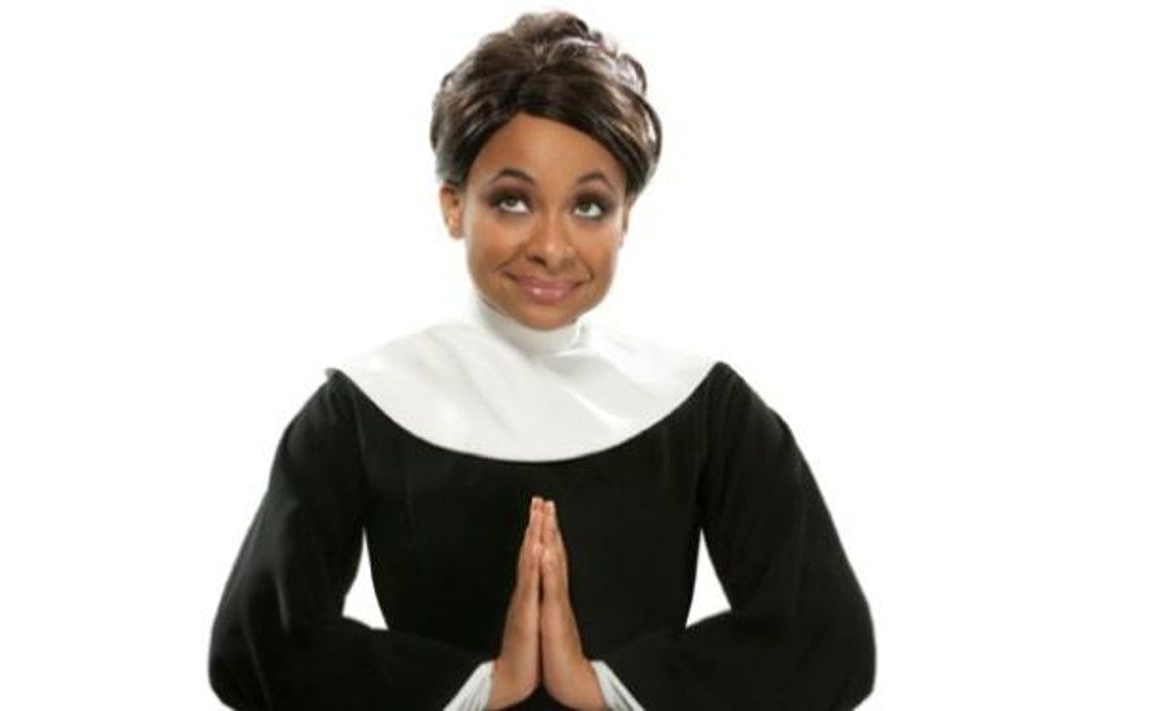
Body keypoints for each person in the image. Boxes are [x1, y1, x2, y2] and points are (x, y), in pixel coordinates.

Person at [206, 9, 875, 710]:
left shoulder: (705, 407)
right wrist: (482, 686)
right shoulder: (362, 408)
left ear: (626, 217)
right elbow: (256, 642)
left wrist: (604, 687)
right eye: (513, 201)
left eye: (588, 207)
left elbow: (828, 637)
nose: (552, 248)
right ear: (454, 205)